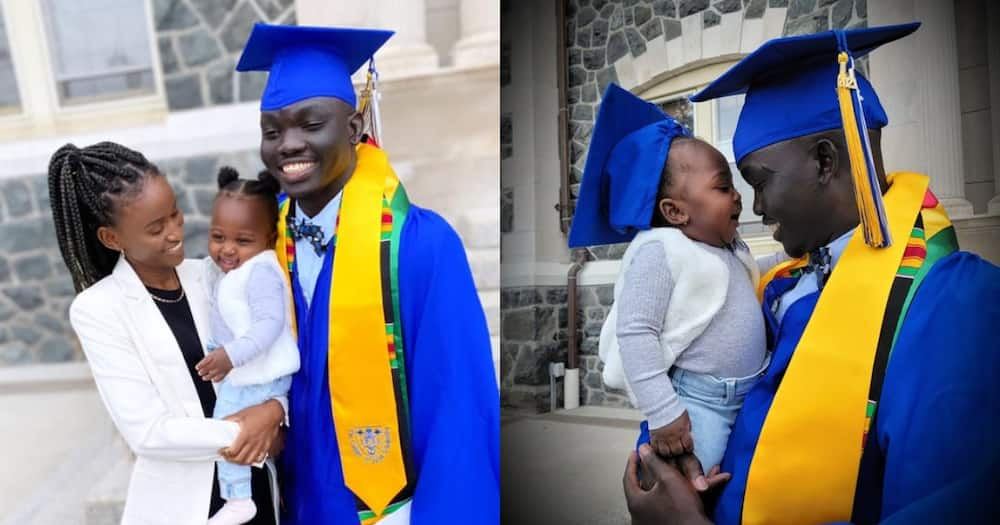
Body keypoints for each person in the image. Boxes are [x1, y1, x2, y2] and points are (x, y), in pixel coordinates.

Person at [622, 22, 1000, 525]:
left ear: (825, 162)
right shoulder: (781, 289)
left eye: (758, 180)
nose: (753, 205)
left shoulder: (959, 311)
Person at [234, 23, 499, 524]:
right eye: (273, 131)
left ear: (354, 129)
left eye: (311, 124)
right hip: (295, 503)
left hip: (389, 509)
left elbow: (457, 411)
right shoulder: (265, 250)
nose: (288, 145)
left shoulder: (420, 245)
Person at [50, 142, 286, 525]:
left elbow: (268, 352)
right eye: (156, 228)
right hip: (189, 505)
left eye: (174, 214)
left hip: (259, 486)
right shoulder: (99, 310)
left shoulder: (209, 274)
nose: (175, 232)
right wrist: (249, 432)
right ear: (113, 239)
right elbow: (148, 431)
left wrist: (276, 411)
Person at [569, 84, 774, 479]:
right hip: (698, 407)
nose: (737, 197)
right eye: (722, 186)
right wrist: (664, 413)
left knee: (730, 488)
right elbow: (636, 332)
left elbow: (757, 274)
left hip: (751, 395)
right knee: (677, 487)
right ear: (675, 211)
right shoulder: (660, 252)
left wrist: (795, 254)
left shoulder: (726, 247)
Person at [196, 167, 301, 525]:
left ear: (269, 238)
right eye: (218, 236)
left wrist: (229, 356)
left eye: (242, 240)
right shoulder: (233, 272)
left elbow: (269, 324)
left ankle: (239, 498)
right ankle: (240, 494)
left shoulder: (261, 273)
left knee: (227, 428)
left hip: (259, 375)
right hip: (251, 374)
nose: (227, 249)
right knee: (231, 428)